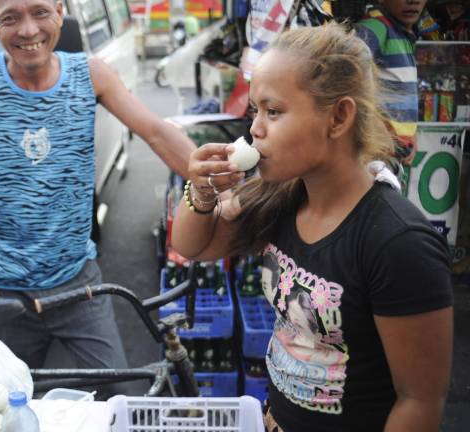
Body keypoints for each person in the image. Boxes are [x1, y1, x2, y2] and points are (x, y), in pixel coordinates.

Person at [171, 23, 453, 431]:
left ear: (338, 117)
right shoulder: (281, 195)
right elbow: (194, 245)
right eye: (255, 111)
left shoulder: (398, 243)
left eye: (274, 111)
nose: (255, 128)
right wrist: (201, 192)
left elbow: (419, 402)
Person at [0, 0, 196, 383]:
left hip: (76, 283)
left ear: (59, 13)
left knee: (118, 395)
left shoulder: (90, 75)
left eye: (39, 12)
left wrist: (212, 178)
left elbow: (154, 131)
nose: (27, 30)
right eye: (11, 18)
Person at [356, 0, 428, 167]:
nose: (414, 1)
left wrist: (410, 133)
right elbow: (346, 71)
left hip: (392, 150)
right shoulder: (374, 26)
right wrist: (374, 123)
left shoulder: (401, 32)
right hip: (375, 152)